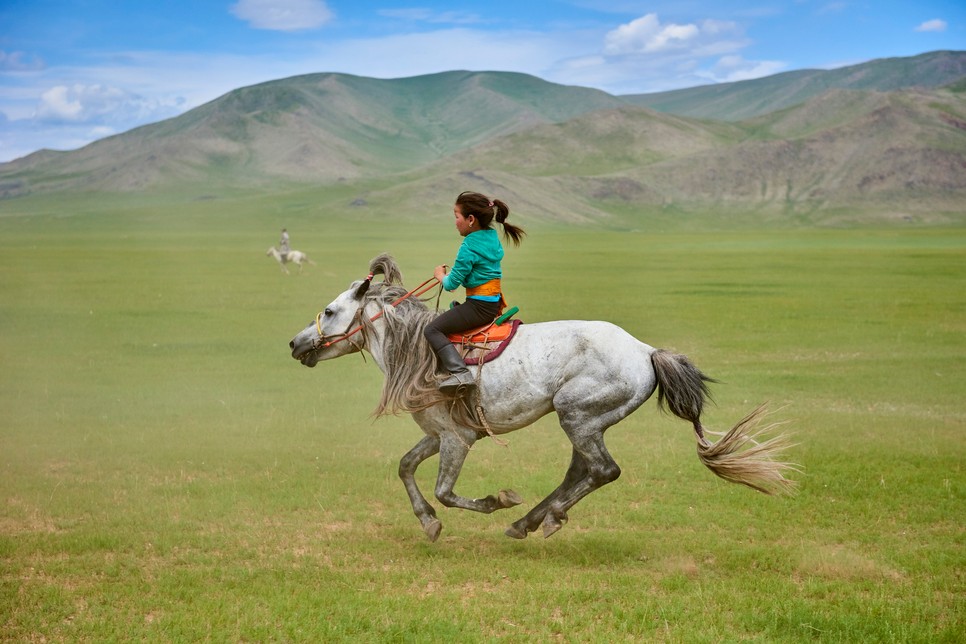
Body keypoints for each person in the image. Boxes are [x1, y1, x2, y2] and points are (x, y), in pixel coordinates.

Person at [423, 191, 526, 394]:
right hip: (493, 302)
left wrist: (439, 275)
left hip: (478, 307)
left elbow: (452, 284)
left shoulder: (468, 246)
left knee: (431, 330)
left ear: (470, 219)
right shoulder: (491, 236)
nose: (455, 222)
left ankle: (461, 373)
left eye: (456, 217)